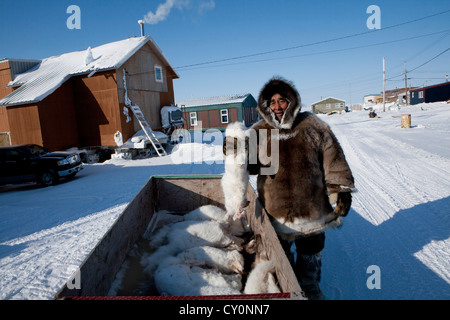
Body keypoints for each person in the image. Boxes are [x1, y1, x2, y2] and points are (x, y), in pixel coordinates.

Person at [225, 77, 354, 299]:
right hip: (275, 210)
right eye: (271, 102)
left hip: (310, 209)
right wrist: (233, 147)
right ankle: (290, 291)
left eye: (281, 101)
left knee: (311, 256)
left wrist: (341, 189)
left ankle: (310, 287)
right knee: (281, 262)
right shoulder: (259, 130)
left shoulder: (311, 125)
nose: (276, 107)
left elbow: (333, 157)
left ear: (291, 101)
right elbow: (251, 164)